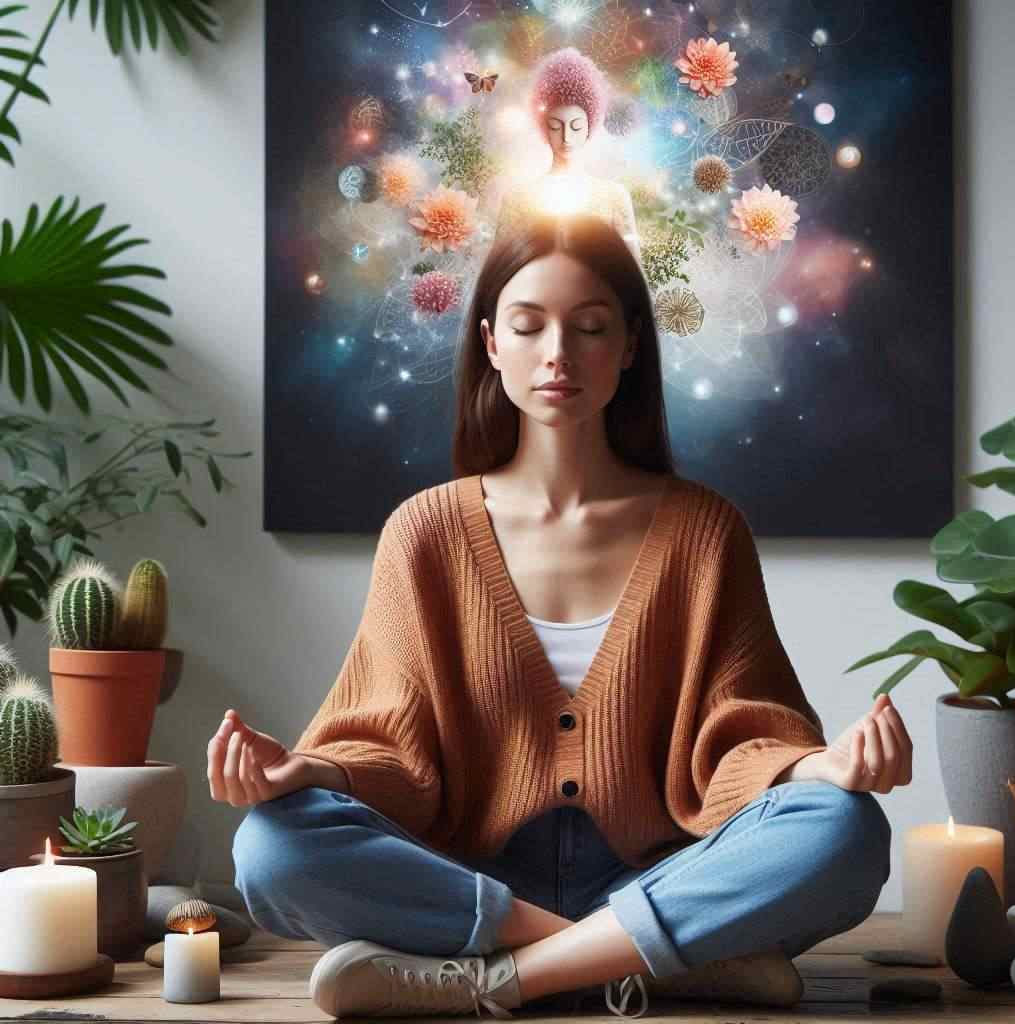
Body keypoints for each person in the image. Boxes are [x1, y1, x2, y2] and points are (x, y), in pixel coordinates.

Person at [213, 213, 909, 1020]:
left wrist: (818, 768)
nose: (558, 354)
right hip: (472, 882)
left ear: (631, 345)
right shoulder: (426, 531)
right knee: (269, 845)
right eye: (528, 324)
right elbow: (387, 745)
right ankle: (645, 961)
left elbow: (741, 737)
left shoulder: (703, 530)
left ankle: (504, 978)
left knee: (843, 829)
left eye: (589, 328)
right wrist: (313, 773)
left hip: (657, 874)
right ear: (490, 342)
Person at [494, 47, 641, 264]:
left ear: (589, 127)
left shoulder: (614, 198)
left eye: (576, 126)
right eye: (556, 126)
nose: (566, 136)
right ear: (544, 129)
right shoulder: (517, 200)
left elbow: (633, 279)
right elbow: (498, 275)